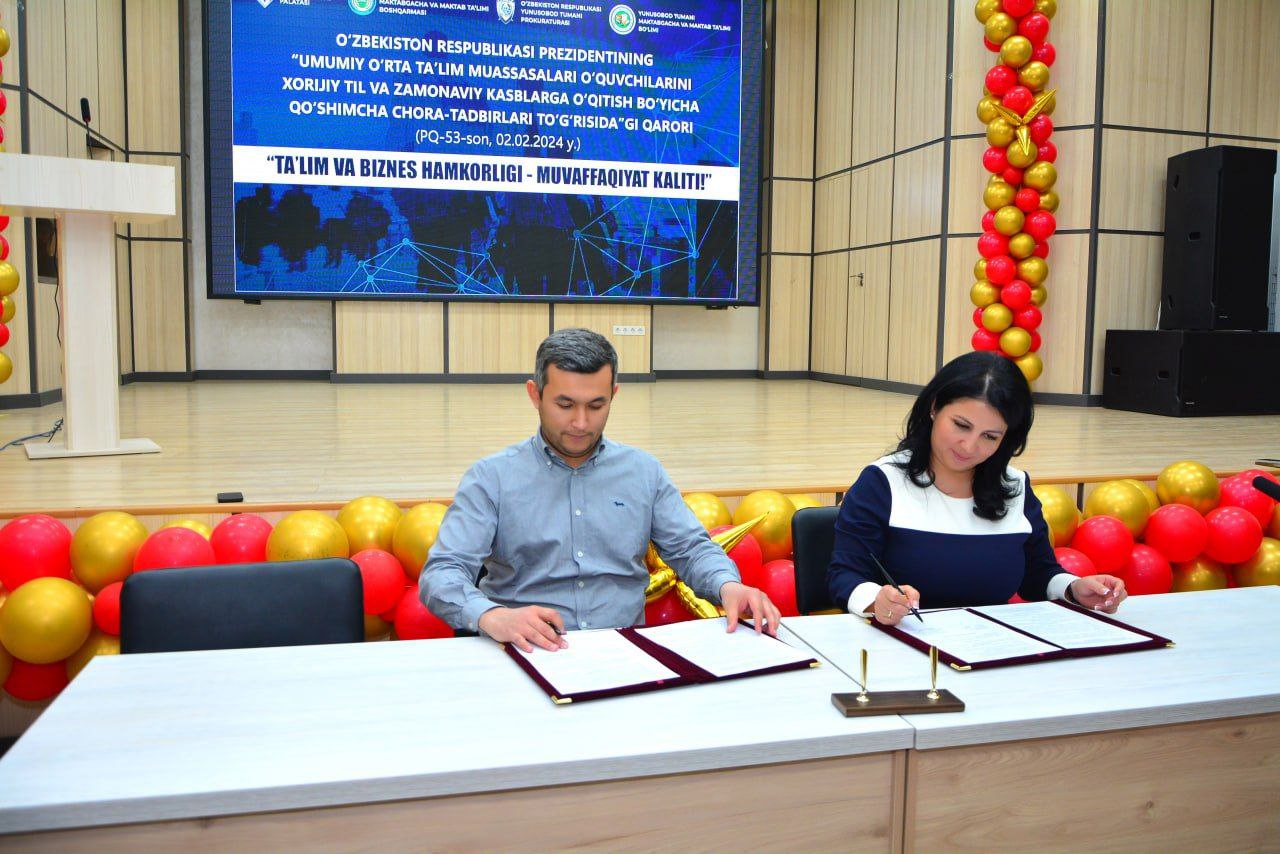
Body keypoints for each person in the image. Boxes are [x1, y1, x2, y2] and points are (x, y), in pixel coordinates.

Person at [421, 328, 781, 651]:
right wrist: (492, 615)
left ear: (613, 394)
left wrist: (727, 585)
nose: (581, 423)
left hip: (624, 652)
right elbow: (442, 573)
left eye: (596, 405)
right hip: (525, 651)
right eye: (565, 405)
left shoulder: (643, 472)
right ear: (535, 394)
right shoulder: (491, 478)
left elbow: (691, 548)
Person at [828, 351, 1126, 624]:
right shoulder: (883, 482)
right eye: (961, 425)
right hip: (904, 644)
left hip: (992, 649)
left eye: (990, 436)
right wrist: (876, 601)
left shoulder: (1016, 486)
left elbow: (1038, 574)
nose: (969, 446)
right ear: (934, 407)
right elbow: (846, 574)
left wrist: (1073, 587)